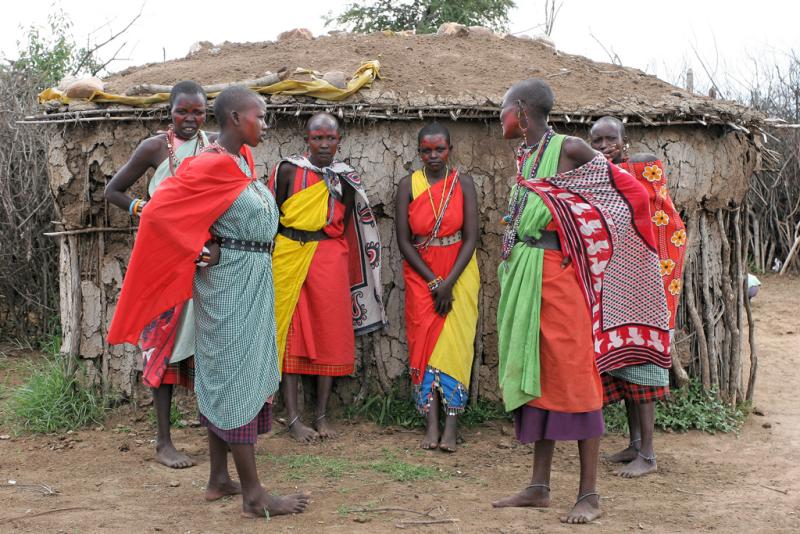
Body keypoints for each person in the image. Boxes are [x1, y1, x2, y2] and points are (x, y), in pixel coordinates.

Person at [108, 86, 310, 518]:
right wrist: (201, 248)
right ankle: (254, 496)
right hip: (228, 285)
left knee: (231, 371)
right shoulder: (210, 163)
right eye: (261, 115)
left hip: (250, 279)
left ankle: (219, 478)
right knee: (232, 375)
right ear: (236, 118)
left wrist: (214, 238)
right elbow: (162, 212)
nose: (266, 122)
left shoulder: (241, 161)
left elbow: (220, 213)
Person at [491, 79, 671, 524]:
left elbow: (626, 190)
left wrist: (618, 246)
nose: (500, 119)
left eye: (503, 111)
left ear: (522, 112)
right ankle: (539, 486)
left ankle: (589, 494)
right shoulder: (526, 156)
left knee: (576, 379)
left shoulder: (569, 148)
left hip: (561, 279)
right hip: (528, 275)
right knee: (539, 376)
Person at [104, 80, 215, 469]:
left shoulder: (215, 146)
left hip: (203, 259)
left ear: (207, 112)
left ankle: (219, 430)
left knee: (210, 341)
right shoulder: (154, 148)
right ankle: (164, 441)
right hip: (161, 260)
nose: (190, 118)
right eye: (182, 111)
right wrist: (144, 210)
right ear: (170, 111)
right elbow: (113, 191)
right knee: (161, 344)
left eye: (197, 111)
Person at [269, 113, 385, 443]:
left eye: (330, 139)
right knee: (290, 333)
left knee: (330, 332)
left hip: (329, 257)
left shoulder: (345, 178)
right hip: (289, 255)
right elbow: (273, 216)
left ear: (339, 141)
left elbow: (346, 222)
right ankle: (292, 418)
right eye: (317, 138)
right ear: (307, 139)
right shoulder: (287, 170)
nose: (323, 144)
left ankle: (321, 415)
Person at [590, 116, 686, 477]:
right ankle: (634, 444)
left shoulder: (643, 171)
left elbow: (654, 221)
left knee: (643, 365)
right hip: (620, 287)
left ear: (624, 141)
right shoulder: (600, 176)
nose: (602, 148)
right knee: (625, 364)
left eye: (610, 140)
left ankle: (648, 454)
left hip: (648, 289)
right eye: (595, 141)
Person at [395, 123, 479, 453]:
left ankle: (452, 426)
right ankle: (430, 423)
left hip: (459, 268)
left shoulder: (464, 184)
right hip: (421, 272)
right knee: (424, 343)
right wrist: (433, 282)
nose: (433, 156)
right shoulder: (408, 186)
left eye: (439, 149)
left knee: (456, 344)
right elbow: (404, 241)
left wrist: (448, 284)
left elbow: (471, 237)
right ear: (419, 152)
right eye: (426, 150)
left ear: (449, 150)